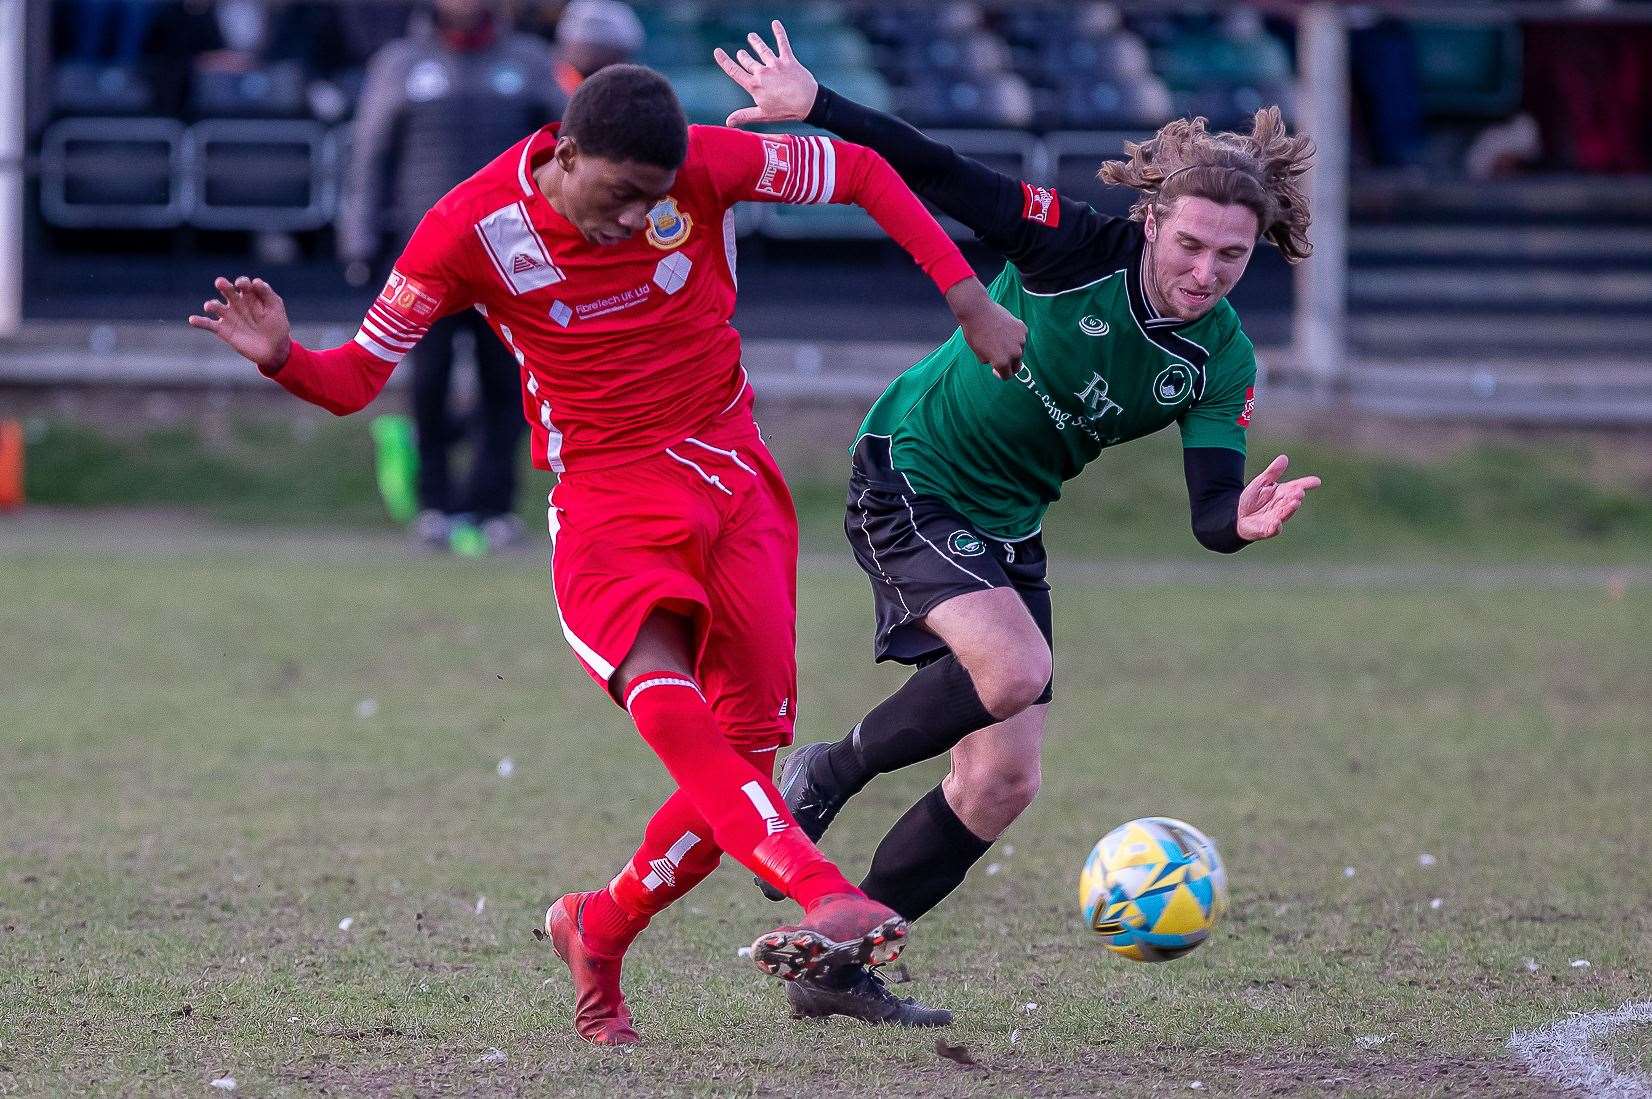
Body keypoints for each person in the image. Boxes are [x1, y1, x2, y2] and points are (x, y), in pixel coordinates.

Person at [188, 64, 1026, 1045]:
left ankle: (599, 924)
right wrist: (285, 354)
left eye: (654, 200)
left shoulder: (703, 166)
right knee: (668, 700)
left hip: (733, 476)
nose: (635, 219)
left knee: (745, 756)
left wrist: (967, 300)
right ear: (565, 153)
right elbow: (355, 379)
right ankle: (821, 890)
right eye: (617, 195)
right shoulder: (466, 229)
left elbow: (864, 174)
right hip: (607, 497)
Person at [716, 22, 1320, 1026]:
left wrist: (1242, 522)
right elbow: (938, 168)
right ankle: (825, 770)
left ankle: (836, 961)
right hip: (910, 467)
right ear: (1151, 221)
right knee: (1010, 672)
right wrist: (815, 105)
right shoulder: (1069, 247)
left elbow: (1209, 513)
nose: (1206, 271)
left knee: (1001, 777)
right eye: (1189, 245)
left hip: (1004, 522)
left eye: (1231, 255)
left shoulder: (1220, 361)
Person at [340, 0, 565, 552]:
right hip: (426, 258)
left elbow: (569, 150)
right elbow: (369, 155)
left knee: (507, 385)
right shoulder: (400, 63)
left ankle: (493, 508)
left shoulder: (531, 61)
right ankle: (436, 505)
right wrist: (359, 237)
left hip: (512, 256)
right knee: (430, 381)